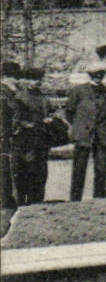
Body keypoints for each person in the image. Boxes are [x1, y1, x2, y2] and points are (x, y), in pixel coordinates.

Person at [65, 60, 106, 201]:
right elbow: (70, 111)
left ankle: (99, 197)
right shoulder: (78, 91)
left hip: (101, 135)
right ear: (90, 75)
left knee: (101, 168)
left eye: (101, 74)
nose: (98, 77)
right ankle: (75, 199)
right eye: (95, 74)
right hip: (83, 135)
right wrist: (80, 126)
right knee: (79, 168)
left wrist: (101, 126)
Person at [12, 68, 53, 205]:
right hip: (26, 140)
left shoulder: (43, 97)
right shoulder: (20, 97)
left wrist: (50, 119)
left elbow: (50, 112)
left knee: (41, 171)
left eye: (38, 79)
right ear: (27, 80)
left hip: (42, 138)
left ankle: (37, 200)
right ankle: (24, 202)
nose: (36, 82)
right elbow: (16, 120)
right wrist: (31, 124)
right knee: (27, 170)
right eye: (33, 79)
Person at [0, 61, 21, 219]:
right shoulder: (4, 92)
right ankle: (5, 201)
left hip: (5, 137)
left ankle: (7, 199)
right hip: (3, 138)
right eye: (15, 77)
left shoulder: (8, 92)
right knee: (4, 170)